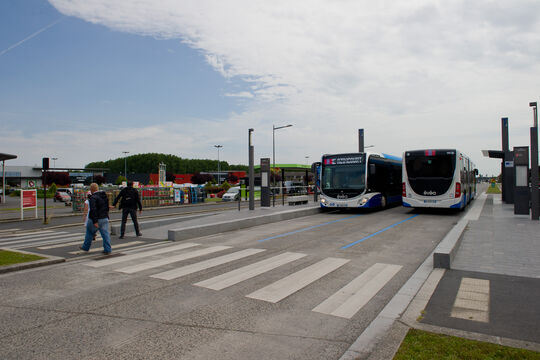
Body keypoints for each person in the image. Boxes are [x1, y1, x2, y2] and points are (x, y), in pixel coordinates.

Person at [80, 183, 112, 255]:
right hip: (104, 218)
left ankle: (85, 247)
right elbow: (106, 208)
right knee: (105, 234)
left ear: (91, 190)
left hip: (96, 219)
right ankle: (107, 249)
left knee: (89, 232)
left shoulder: (93, 198)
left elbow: (93, 210)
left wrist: (95, 221)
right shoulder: (104, 196)